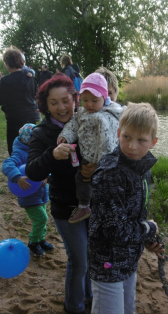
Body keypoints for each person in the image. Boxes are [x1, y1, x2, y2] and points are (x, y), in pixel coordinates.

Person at [25, 74, 93, 314]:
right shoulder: (41, 132)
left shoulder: (87, 121)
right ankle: (73, 307)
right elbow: (32, 171)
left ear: (75, 99)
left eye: (66, 100)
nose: (61, 107)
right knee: (80, 261)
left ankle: (90, 297)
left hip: (92, 204)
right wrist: (52, 155)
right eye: (54, 103)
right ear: (46, 105)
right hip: (66, 207)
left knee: (91, 257)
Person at [88, 102, 164, 314]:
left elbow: (135, 214)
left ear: (153, 142)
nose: (132, 146)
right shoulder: (110, 173)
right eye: (127, 137)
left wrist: (148, 240)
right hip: (107, 263)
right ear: (119, 133)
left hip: (129, 259)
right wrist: (149, 229)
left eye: (141, 140)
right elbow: (116, 230)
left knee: (128, 309)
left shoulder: (142, 168)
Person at [57, 73, 124, 224]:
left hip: (100, 161)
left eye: (94, 100)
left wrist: (101, 167)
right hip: (86, 157)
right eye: (85, 100)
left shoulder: (104, 117)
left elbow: (108, 144)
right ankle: (85, 207)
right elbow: (73, 125)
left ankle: (95, 208)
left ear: (105, 99)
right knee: (82, 180)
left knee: (98, 184)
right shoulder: (82, 113)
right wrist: (65, 136)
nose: (89, 105)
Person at [2, 123, 53, 257]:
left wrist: (47, 176)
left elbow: (48, 165)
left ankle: (40, 239)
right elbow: (7, 164)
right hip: (28, 194)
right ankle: (33, 242)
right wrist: (17, 177)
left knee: (42, 219)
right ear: (26, 140)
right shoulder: (20, 153)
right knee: (41, 218)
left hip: (41, 192)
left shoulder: (39, 150)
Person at [0, 47, 38, 155]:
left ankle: (17, 169)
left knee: (14, 146)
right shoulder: (30, 77)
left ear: (7, 64)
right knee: (31, 144)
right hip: (30, 115)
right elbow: (34, 94)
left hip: (15, 117)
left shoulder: (6, 80)